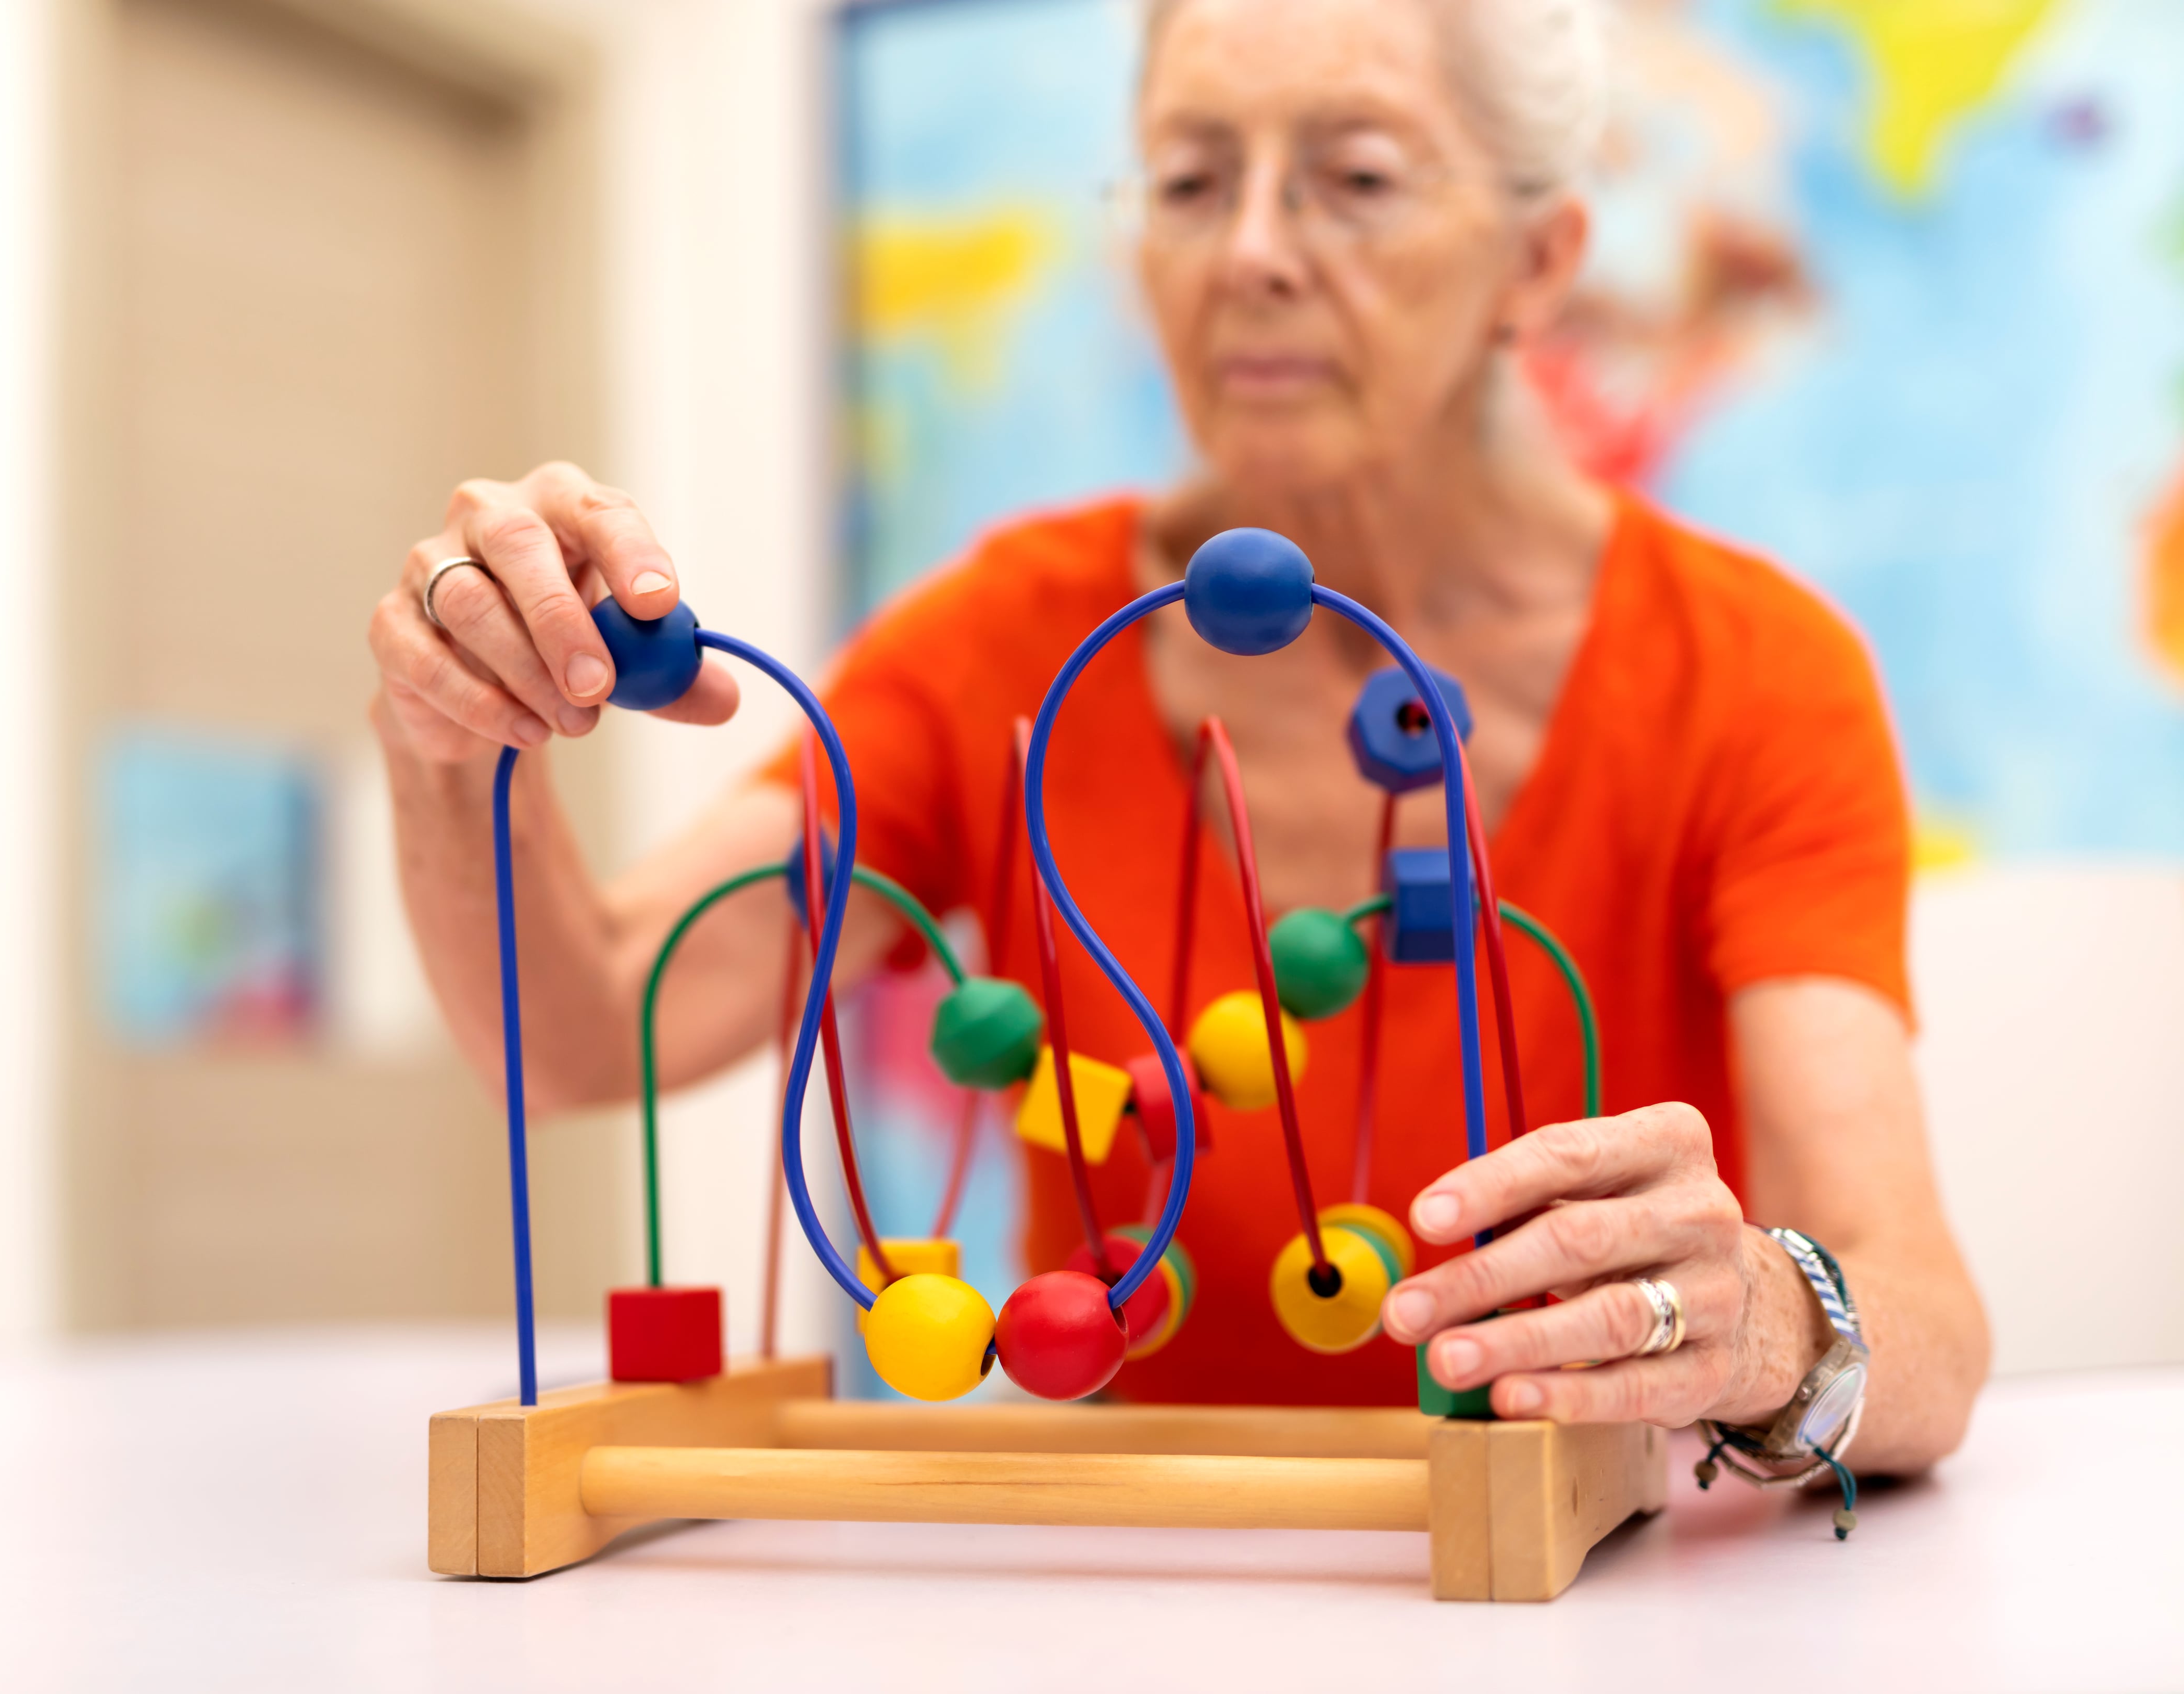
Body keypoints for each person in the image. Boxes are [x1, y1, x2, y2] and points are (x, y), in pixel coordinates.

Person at [365, 0, 1988, 1474]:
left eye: (1355, 179)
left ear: (1539, 262)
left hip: (1583, 1605)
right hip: (1142, 1581)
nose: (1252, 254)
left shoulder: (1754, 671)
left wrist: (1777, 1325)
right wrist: (456, 735)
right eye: (1191, 183)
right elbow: (585, 1023)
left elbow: (1915, 1317)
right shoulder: (999, 646)